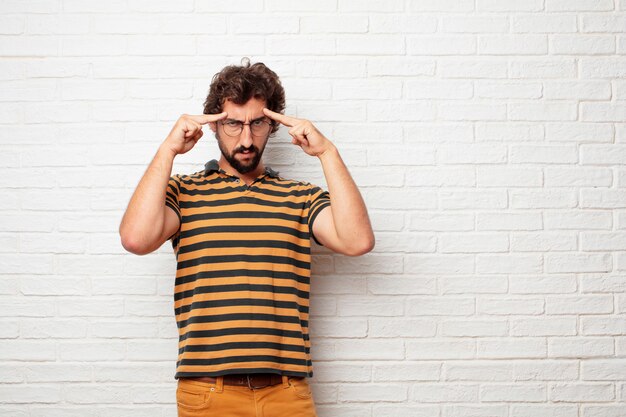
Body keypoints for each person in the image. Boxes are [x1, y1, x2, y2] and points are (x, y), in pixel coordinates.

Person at [118, 58, 375, 417]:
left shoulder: (299, 196)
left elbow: (357, 241)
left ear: (272, 125)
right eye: (233, 125)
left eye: (257, 124)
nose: (246, 139)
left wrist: (327, 152)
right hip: (207, 391)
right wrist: (168, 150)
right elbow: (135, 239)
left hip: (287, 392)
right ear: (212, 126)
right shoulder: (185, 192)